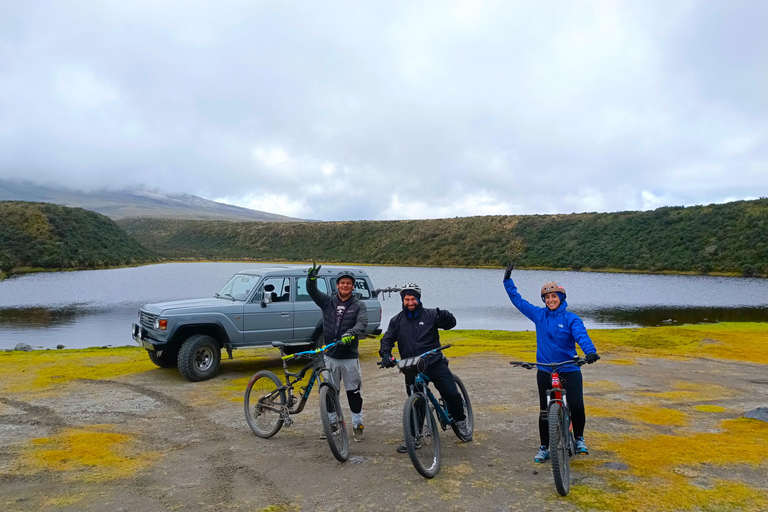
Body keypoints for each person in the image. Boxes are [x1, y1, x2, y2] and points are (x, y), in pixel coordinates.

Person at [502, 263, 599, 463]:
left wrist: (589, 352)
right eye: (547, 297)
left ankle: (579, 438)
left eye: (554, 296)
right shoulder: (539, 315)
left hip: (569, 368)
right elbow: (518, 301)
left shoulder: (571, 319)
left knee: (577, 405)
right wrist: (507, 281)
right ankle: (544, 446)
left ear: (561, 297)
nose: (550, 300)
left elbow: (581, 336)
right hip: (545, 369)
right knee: (544, 411)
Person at [379, 283, 472, 452]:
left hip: (434, 363)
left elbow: (450, 324)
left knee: (452, 394)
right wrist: (386, 354)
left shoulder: (431, 315)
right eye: (407, 299)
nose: (410, 302)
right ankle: (414, 437)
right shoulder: (396, 321)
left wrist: (446, 316)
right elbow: (387, 339)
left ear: (418, 299)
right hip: (411, 367)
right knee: (416, 403)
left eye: (413, 299)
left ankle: (460, 422)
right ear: (403, 301)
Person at [307, 262, 368, 442]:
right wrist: (311, 280)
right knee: (329, 392)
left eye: (348, 283)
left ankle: (357, 425)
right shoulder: (327, 302)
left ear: (353, 286)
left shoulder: (359, 305)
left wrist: (352, 333)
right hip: (330, 356)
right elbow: (312, 292)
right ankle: (332, 424)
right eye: (342, 282)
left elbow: (362, 323)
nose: (345, 285)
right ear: (337, 285)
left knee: (353, 393)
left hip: (349, 357)